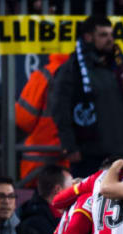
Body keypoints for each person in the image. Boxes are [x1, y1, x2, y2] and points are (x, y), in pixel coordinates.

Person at [50, 15, 123, 177]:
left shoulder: (119, 67)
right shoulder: (72, 69)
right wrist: (70, 146)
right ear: (88, 37)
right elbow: (60, 109)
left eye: (111, 35)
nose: (110, 39)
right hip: (88, 153)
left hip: (121, 151)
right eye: (103, 35)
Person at [16, 53, 71, 186]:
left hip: (39, 160)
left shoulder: (44, 75)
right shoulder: (88, 73)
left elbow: (24, 119)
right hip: (73, 161)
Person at [15, 164, 73, 234]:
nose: (74, 190)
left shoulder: (68, 216)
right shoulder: (34, 225)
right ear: (58, 189)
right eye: (71, 186)